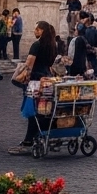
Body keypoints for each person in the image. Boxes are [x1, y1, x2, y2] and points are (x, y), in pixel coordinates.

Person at [9, 22, 59, 156]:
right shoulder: (53, 45)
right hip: (47, 80)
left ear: (41, 31)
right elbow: (50, 64)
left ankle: (28, 141)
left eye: (36, 29)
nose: (34, 31)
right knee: (44, 109)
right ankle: (39, 136)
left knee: (33, 110)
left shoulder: (37, 45)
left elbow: (29, 64)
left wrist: (22, 76)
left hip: (36, 80)